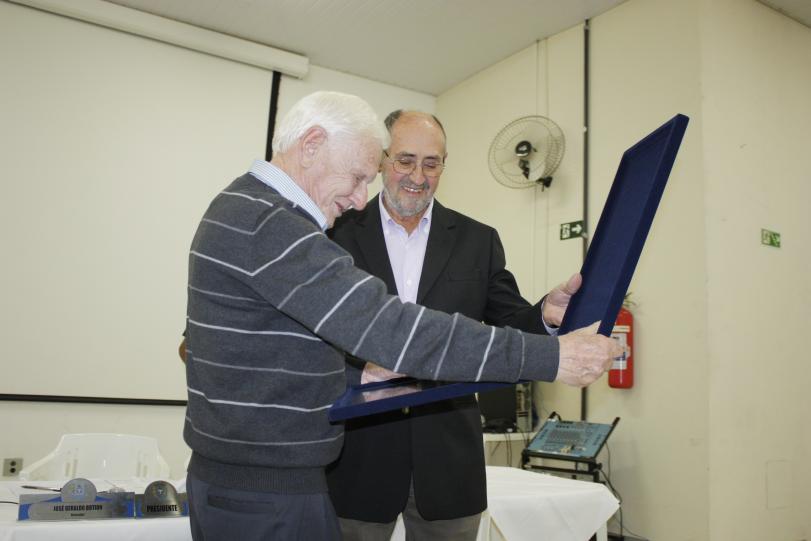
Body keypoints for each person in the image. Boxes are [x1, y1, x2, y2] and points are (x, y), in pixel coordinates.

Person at [182, 91, 621, 541]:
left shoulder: (251, 210)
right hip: (296, 480)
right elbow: (393, 330)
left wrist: (357, 378)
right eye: (361, 175)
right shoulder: (283, 225)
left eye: (432, 164)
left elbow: (274, 348)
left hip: (413, 468)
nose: (360, 198)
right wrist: (552, 357)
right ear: (312, 145)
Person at [326, 110, 574, 540]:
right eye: (405, 160)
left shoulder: (478, 240)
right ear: (381, 159)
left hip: (448, 464)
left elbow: (511, 326)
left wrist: (546, 316)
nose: (417, 176)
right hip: (357, 461)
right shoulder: (335, 233)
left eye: (431, 163)